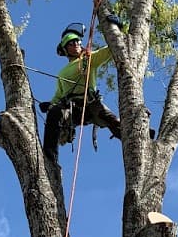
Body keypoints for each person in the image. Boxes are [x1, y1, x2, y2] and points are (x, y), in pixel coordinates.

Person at [41, 19, 122, 161]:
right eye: (72, 43)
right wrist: (49, 104)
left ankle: (141, 135)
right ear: (66, 49)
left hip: (91, 104)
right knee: (54, 113)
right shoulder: (62, 74)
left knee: (114, 122)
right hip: (73, 109)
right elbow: (59, 96)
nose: (77, 44)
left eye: (78, 41)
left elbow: (110, 50)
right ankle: (49, 155)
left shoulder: (88, 59)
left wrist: (119, 28)